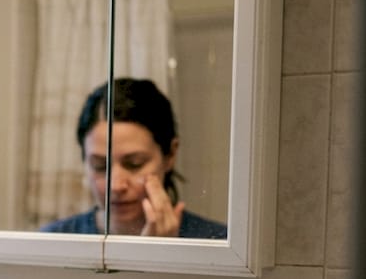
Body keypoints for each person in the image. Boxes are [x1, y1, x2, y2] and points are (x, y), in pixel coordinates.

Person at [41, 78, 227, 239]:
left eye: (134, 164)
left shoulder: (216, 242)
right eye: (100, 166)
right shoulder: (52, 241)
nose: (115, 186)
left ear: (170, 155)